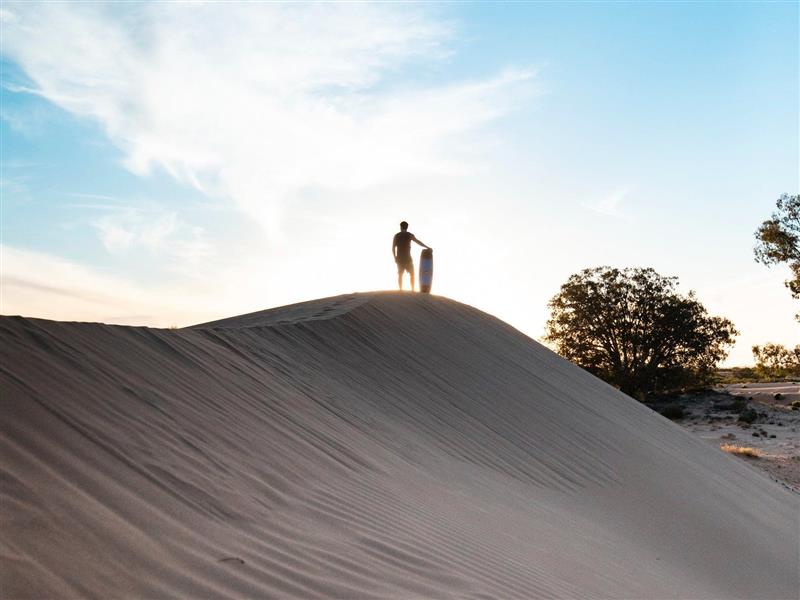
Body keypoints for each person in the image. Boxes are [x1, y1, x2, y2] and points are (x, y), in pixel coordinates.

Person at [392, 221, 430, 291]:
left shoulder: (396, 236)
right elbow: (418, 242)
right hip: (408, 258)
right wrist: (427, 247)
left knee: (400, 275)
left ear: (400, 227)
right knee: (412, 274)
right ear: (407, 227)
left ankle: (400, 290)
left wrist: (395, 258)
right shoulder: (409, 235)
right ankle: (412, 290)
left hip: (400, 259)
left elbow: (393, 248)